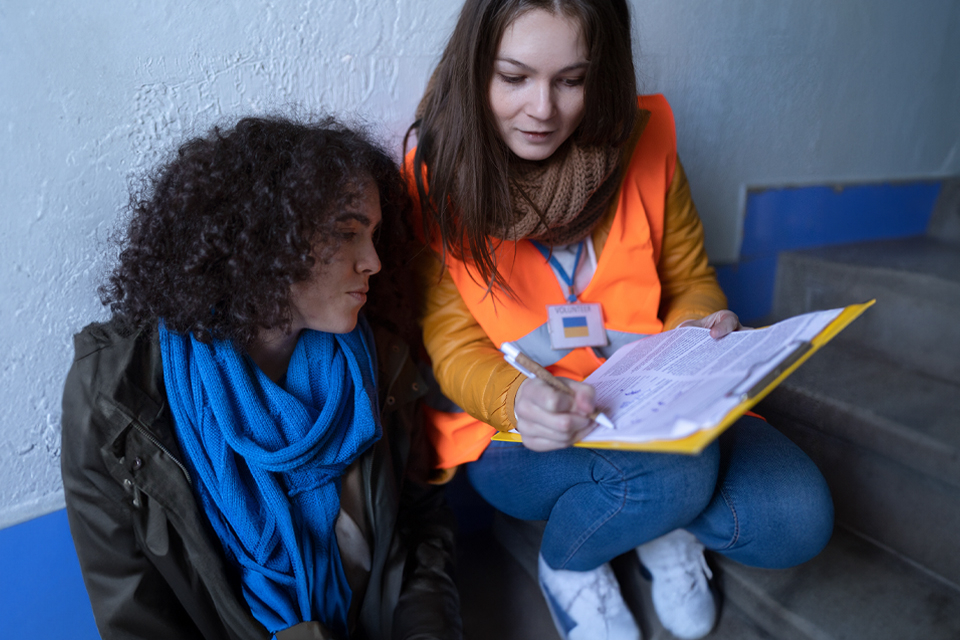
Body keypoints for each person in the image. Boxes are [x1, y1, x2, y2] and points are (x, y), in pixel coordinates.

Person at [404, 1, 833, 639]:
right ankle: (571, 566)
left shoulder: (644, 139)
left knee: (797, 516)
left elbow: (690, 281)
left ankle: (649, 514)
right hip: (518, 435)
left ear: (600, 74)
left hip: (659, 403)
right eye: (514, 77)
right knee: (673, 469)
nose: (543, 109)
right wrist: (518, 399)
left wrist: (701, 326)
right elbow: (453, 344)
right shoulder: (435, 175)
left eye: (571, 80)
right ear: (475, 69)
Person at [61, 116, 462, 640]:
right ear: (267, 239)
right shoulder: (115, 396)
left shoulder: (378, 355)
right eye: (347, 232)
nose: (374, 262)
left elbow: (420, 530)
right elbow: (137, 619)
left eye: (374, 234)